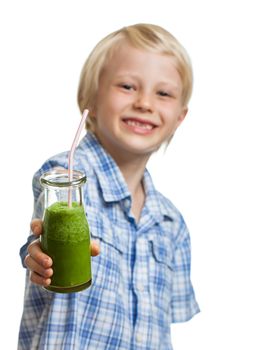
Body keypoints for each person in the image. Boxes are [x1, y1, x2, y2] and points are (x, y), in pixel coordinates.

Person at [18, 23, 200, 349]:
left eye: (164, 93)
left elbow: (163, 328)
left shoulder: (170, 223)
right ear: (90, 99)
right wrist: (36, 255)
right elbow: (37, 242)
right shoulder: (66, 178)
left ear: (180, 117)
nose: (145, 103)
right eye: (128, 86)